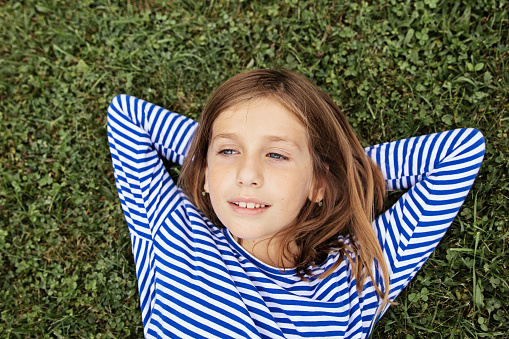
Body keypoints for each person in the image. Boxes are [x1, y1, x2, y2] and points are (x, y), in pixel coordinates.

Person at [107, 69, 485, 339]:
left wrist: (334, 172)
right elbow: (127, 116)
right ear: (203, 171)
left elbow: (459, 152)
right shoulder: (174, 229)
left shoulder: (349, 280)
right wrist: (212, 162)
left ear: (318, 184)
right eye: (228, 151)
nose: (246, 173)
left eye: (276, 155)